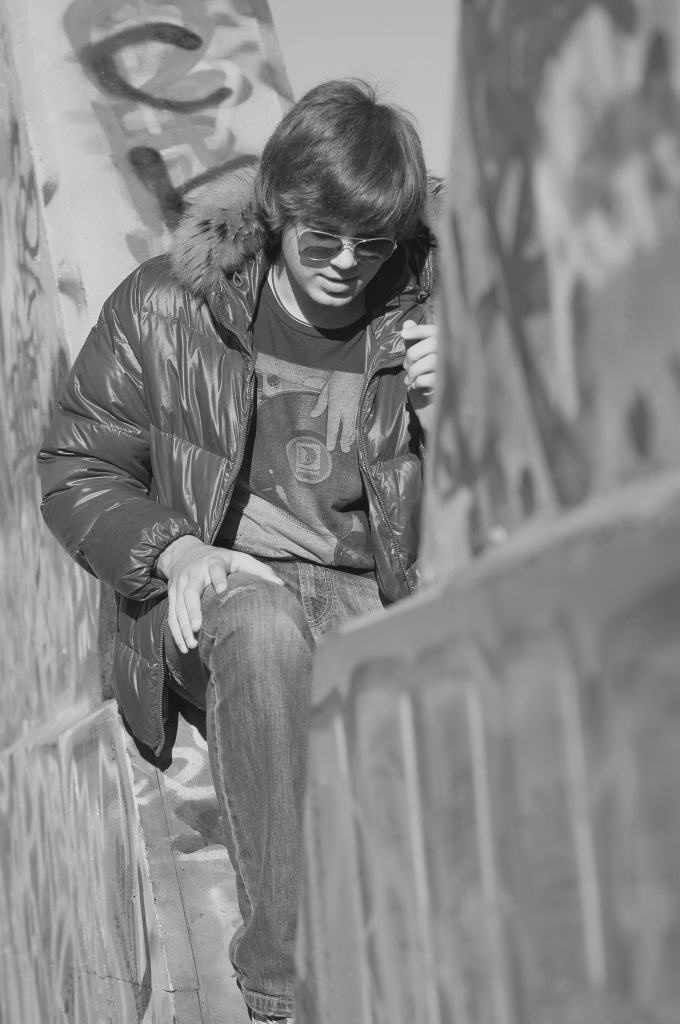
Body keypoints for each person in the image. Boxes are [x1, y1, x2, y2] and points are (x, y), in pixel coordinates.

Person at [38, 79, 440, 1023]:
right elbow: (75, 465)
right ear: (277, 212)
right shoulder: (170, 304)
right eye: (322, 239)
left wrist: (463, 408)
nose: (349, 264)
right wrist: (175, 553)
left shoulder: (442, 310)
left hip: (374, 589)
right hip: (223, 581)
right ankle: (282, 992)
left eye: (373, 242)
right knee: (262, 629)